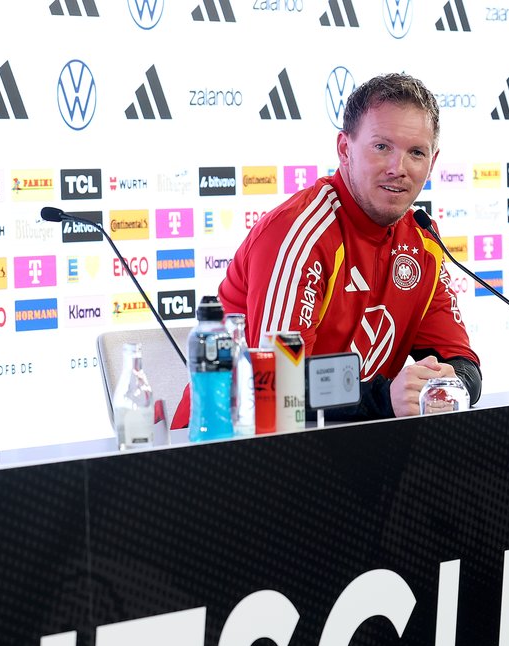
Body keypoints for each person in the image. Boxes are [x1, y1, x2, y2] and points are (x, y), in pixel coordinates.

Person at [174, 72, 480, 427]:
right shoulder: (299, 232)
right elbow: (276, 385)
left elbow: (462, 363)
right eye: (382, 147)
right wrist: (385, 398)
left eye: (416, 152)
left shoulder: (424, 243)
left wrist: (446, 385)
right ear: (344, 150)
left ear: (433, 161)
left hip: (347, 450)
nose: (399, 169)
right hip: (224, 449)